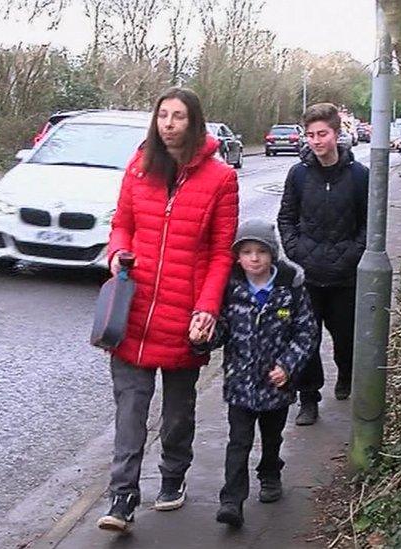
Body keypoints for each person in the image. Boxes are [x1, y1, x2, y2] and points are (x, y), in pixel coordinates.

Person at [96, 87, 239, 532]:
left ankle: (173, 476)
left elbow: (221, 254)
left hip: (185, 316)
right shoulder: (139, 169)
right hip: (133, 312)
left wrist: (208, 308)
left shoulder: (221, 179)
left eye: (178, 116)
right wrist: (117, 253)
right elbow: (121, 224)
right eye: (163, 116)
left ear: (193, 122)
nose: (169, 124)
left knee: (178, 412)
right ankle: (122, 498)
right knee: (131, 410)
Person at [191, 218, 318, 528]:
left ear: (272, 253)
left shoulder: (290, 287)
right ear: (237, 256)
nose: (254, 258)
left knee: (272, 436)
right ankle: (232, 500)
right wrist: (201, 338)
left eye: (261, 251)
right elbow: (220, 331)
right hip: (241, 384)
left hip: (276, 383)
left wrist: (287, 366)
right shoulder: (231, 289)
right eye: (246, 252)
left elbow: (306, 332)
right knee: (239, 441)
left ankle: (270, 473)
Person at [277, 102, 369, 426]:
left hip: (345, 278)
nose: (316, 141)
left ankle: (346, 375)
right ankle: (308, 399)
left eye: (323, 134)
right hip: (309, 276)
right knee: (306, 339)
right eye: (311, 135)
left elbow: (368, 224)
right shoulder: (298, 175)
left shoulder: (359, 176)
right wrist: (297, 251)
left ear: (336, 134)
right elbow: (286, 218)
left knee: (345, 338)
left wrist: (352, 255)